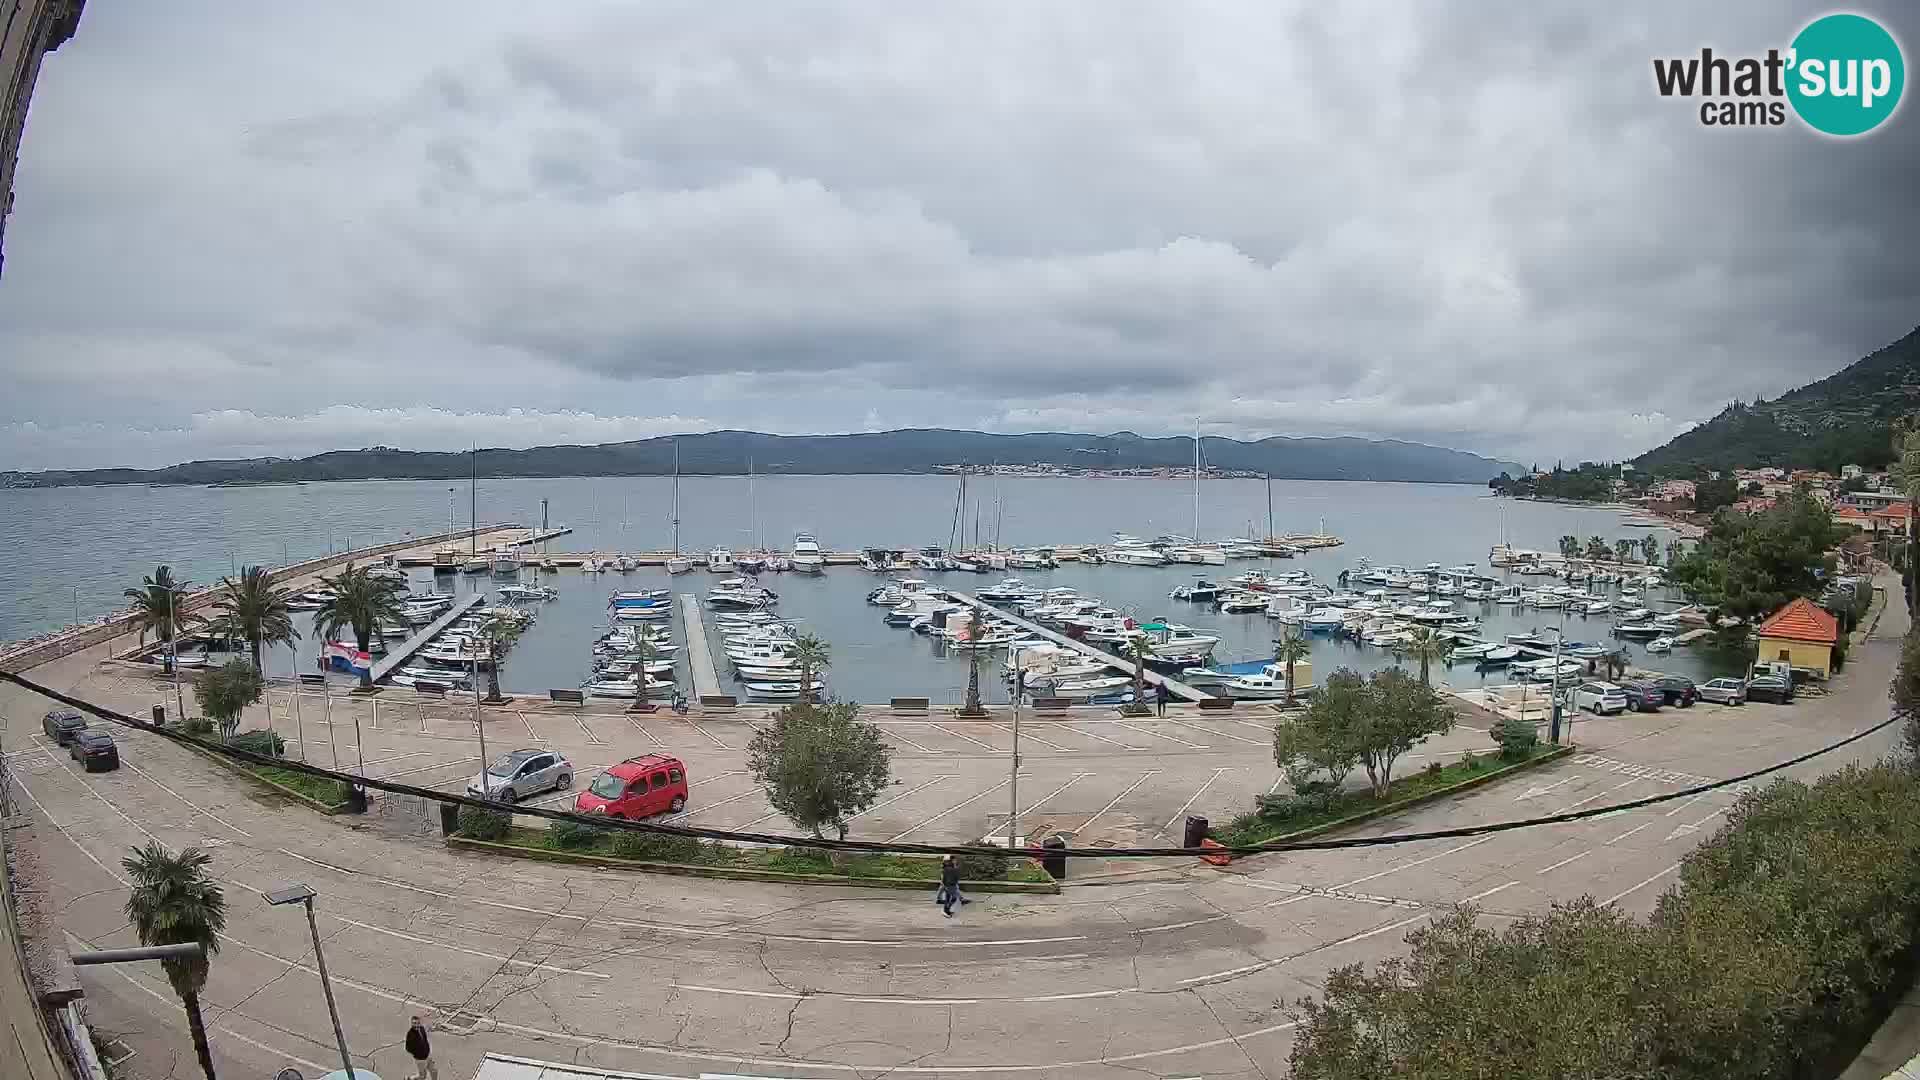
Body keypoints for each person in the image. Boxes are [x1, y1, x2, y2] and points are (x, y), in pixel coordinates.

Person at [405, 1015, 437, 1080]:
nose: (416, 1025)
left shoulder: (421, 1029)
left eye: (418, 1023)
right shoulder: (410, 1034)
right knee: (422, 1076)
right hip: (420, 1059)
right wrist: (417, 1054)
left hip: (427, 1056)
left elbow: (425, 1040)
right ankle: (410, 1079)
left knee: (434, 1071)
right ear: (411, 1024)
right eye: (414, 1023)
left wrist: (427, 1049)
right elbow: (407, 1048)